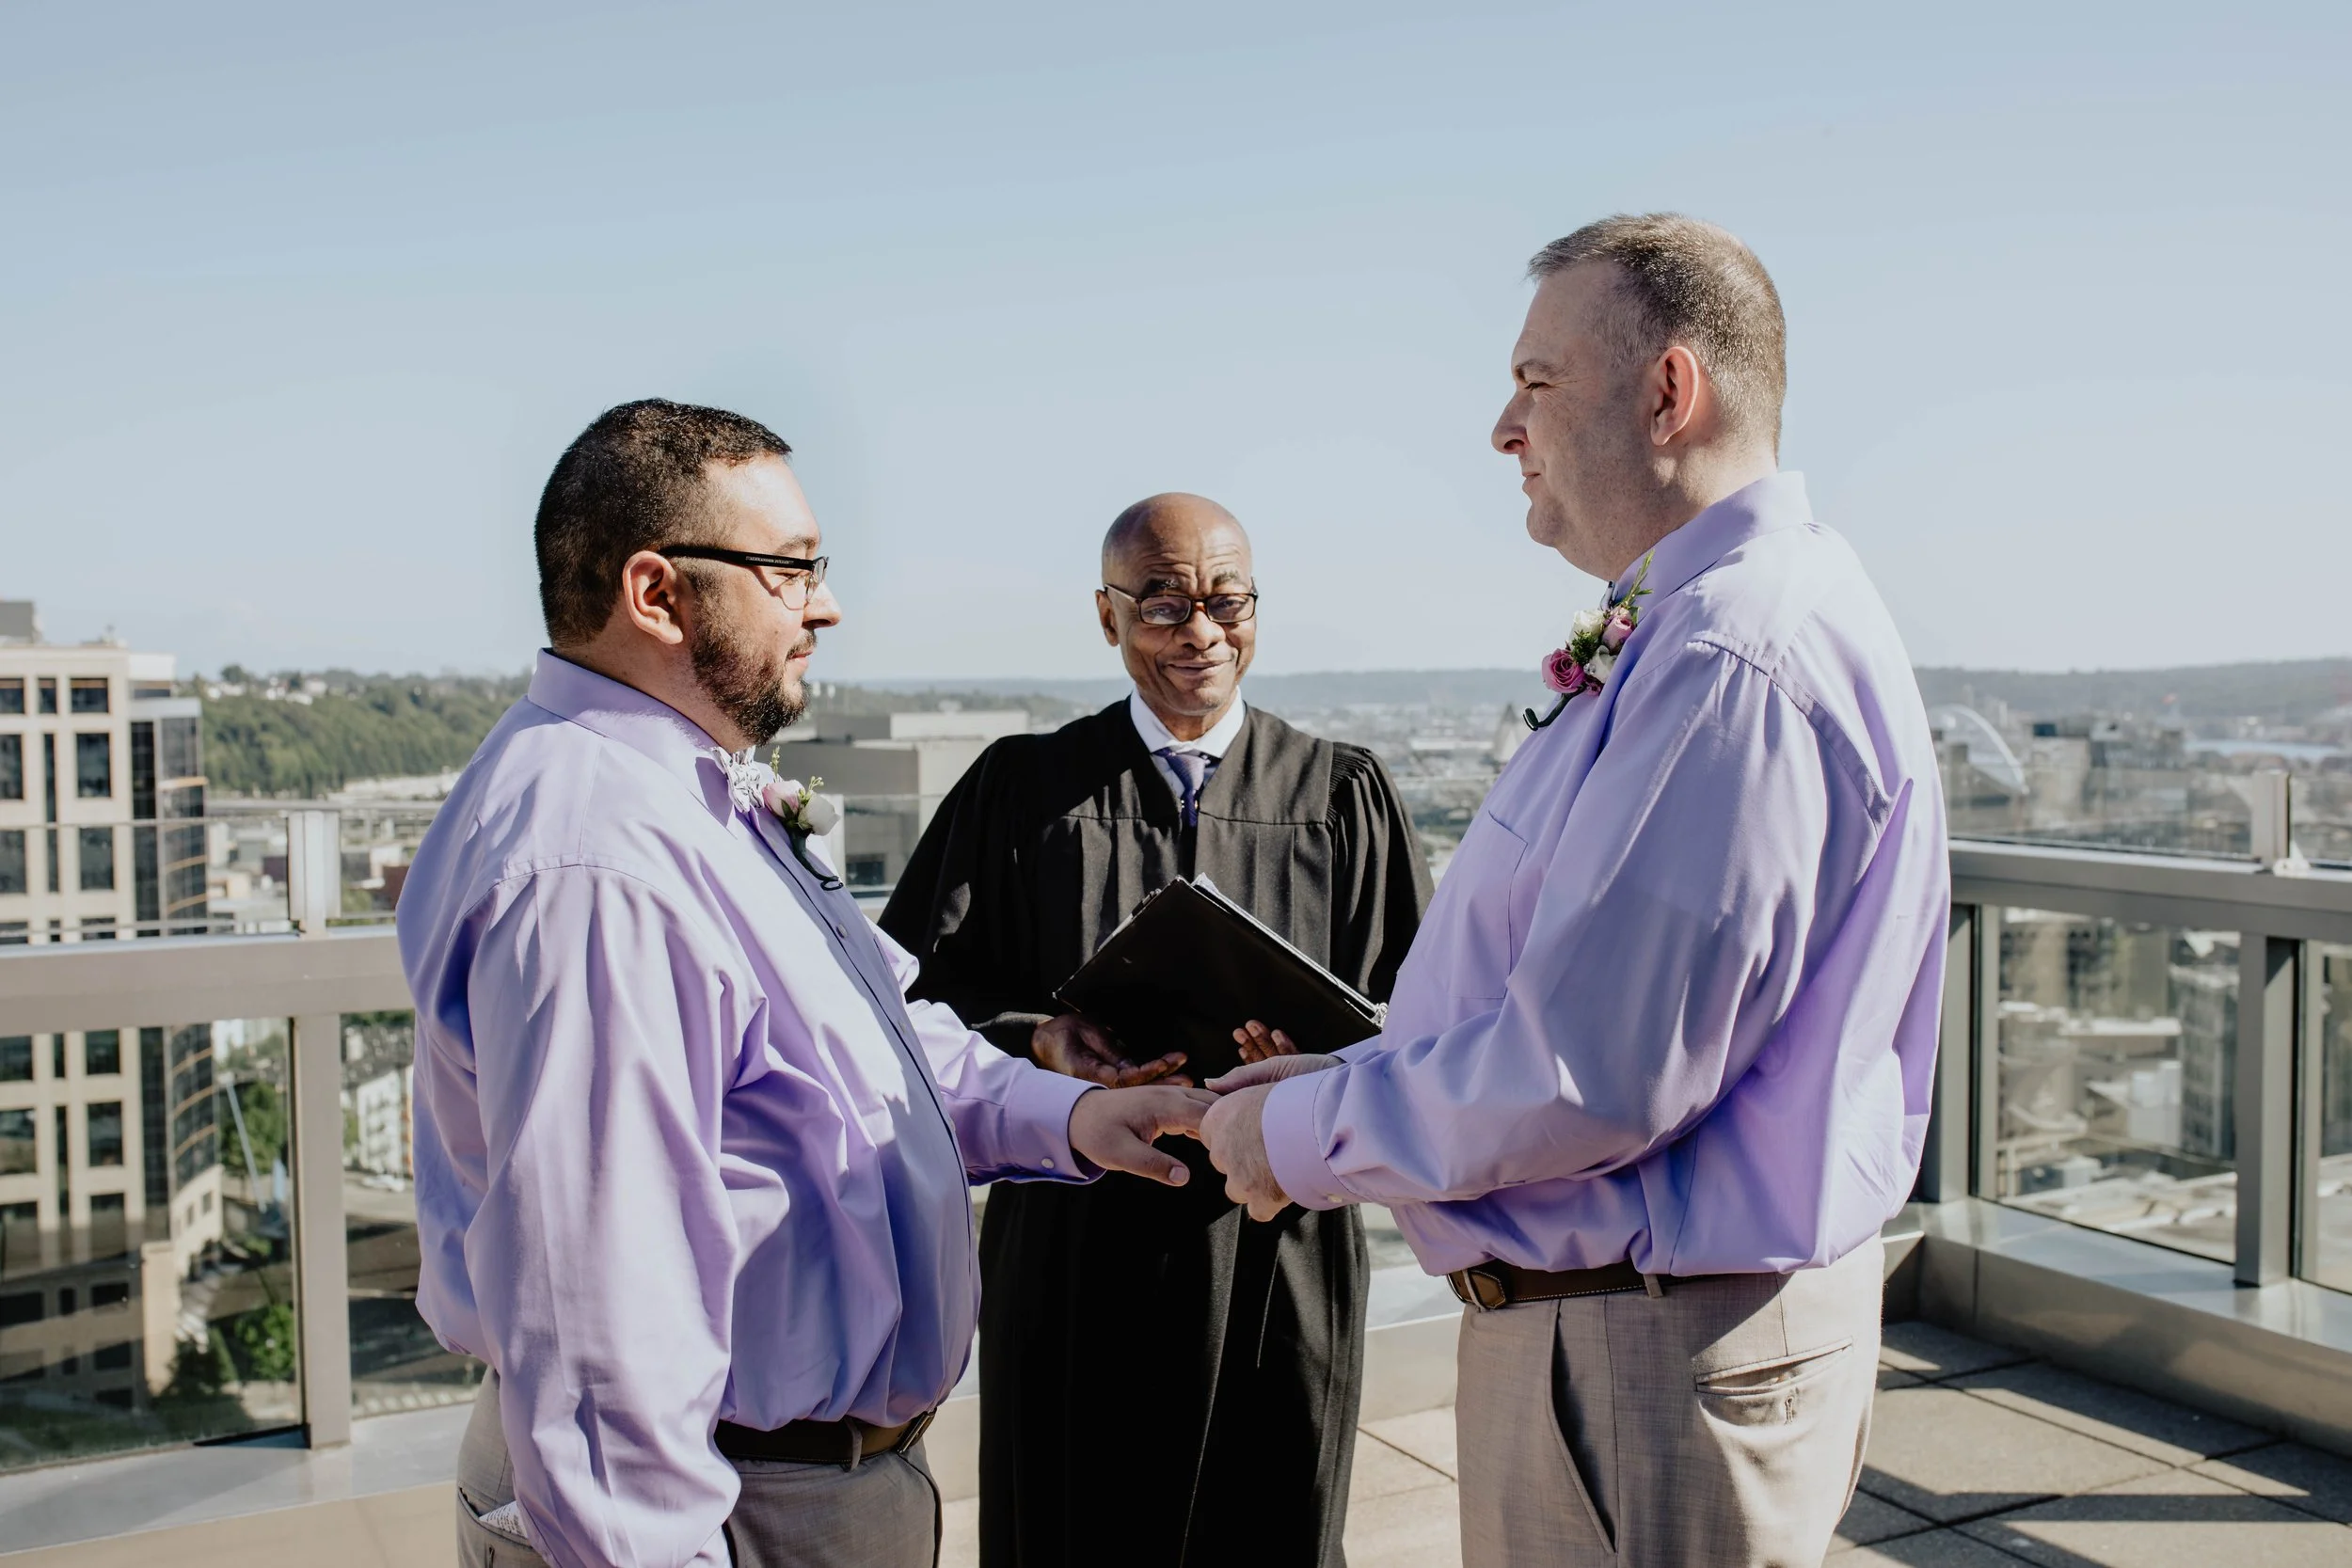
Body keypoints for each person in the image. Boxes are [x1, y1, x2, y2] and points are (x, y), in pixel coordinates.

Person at [1200, 214, 1949, 1567]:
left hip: (1643, 1354)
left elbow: (1592, 1068)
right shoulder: (1721, 620)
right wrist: (1359, 1073)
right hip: (1640, 1328)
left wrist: (1301, 1132)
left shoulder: (1732, 657)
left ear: (1670, 390)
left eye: (1537, 380)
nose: (1502, 423)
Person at [396, 399, 1213, 1568]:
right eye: (789, 569)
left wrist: (1080, 1113)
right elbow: (595, 1321)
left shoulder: (691, 795)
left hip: (808, 1486)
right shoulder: (597, 865)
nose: (825, 603)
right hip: (730, 1507)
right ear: (657, 592)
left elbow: (877, 1046)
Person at [880, 493, 1431, 1568]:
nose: (1201, 631)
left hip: (1279, 1238)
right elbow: (907, 1006)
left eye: (1227, 600)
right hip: (1080, 1246)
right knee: (1078, 1525)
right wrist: (1038, 1038)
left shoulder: (1341, 793)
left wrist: (1323, 1061)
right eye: (1165, 602)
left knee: (1268, 1521)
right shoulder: (1019, 789)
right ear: (1107, 615)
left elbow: (1419, 1015)